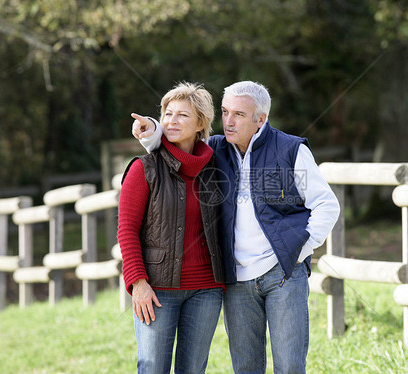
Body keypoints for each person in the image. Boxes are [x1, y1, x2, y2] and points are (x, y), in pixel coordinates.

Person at [132, 81, 340, 374]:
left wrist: (298, 250)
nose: (228, 121)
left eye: (239, 115)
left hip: (282, 272)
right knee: (245, 367)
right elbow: (178, 150)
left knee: (290, 366)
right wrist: (154, 131)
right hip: (237, 280)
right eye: (226, 112)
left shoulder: (291, 150)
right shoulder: (216, 149)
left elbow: (326, 206)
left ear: (261, 119)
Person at [118, 82, 226, 374]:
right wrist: (137, 283)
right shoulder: (145, 168)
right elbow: (126, 230)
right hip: (157, 289)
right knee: (152, 367)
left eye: (182, 115)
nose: (172, 121)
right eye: (168, 114)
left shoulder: (217, 168)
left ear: (201, 123)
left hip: (207, 289)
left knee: (193, 369)